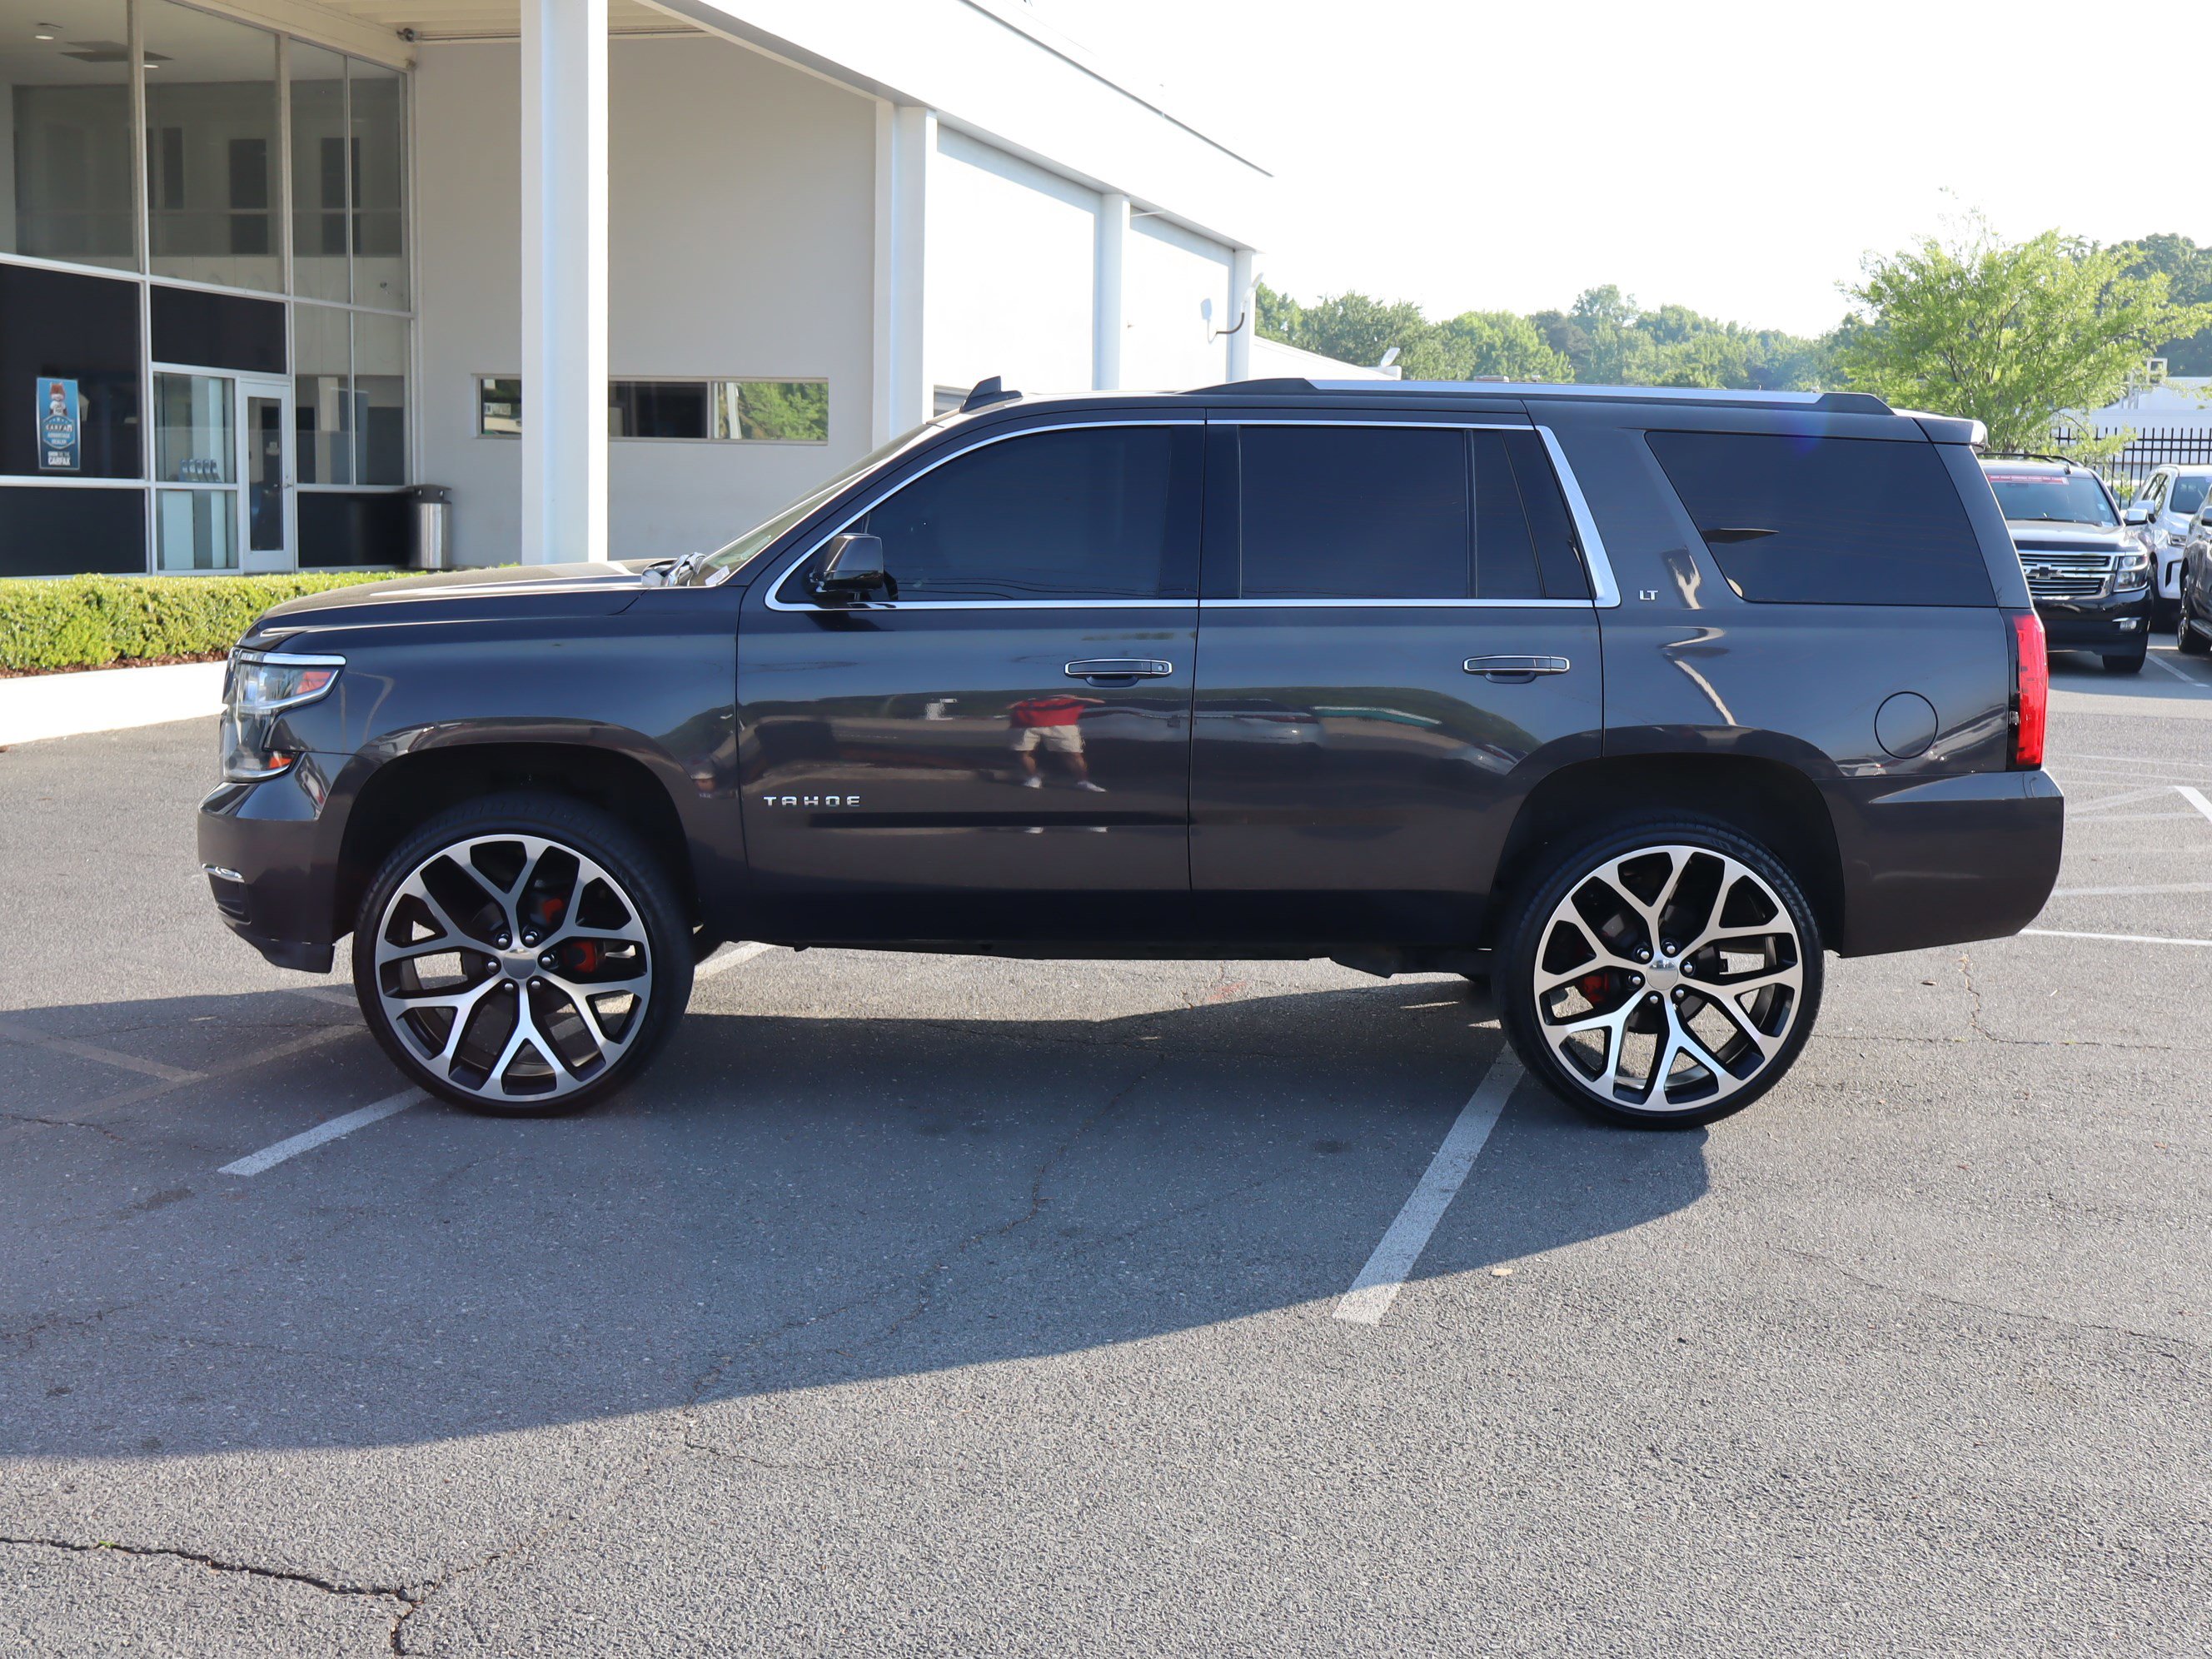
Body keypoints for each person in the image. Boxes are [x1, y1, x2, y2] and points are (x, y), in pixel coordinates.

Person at [1005, 692, 1104, 790]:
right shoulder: (1028, 701)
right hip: (1025, 726)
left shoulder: (1070, 701)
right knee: (1024, 751)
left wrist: (1071, 697)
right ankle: (1033, 778)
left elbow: (1100, 702)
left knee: (1073, 753)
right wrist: (1029, 700)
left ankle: (1082, 781)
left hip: (1062, 726)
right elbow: (1009, 707)